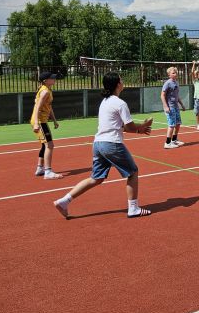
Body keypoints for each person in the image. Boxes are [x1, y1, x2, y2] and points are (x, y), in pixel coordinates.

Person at [53, 72, 153, 219]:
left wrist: (139, 130)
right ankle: (133, 208)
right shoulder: (120, 103)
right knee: (133, 172)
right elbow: (129, 127)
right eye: (121, 80)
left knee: (96, 178)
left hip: (98, 144)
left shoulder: (105, 102)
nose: (123, 81)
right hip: (112, 144)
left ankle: (64, 201)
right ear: (117, 84)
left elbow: (119, 127)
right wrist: (142, 126)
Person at [31, 71, 64, 179]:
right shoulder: (45, 92)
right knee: (50, 145)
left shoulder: (47, 90)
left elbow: (48, 107)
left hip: (42, 121)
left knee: (44, 145)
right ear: (45, 81)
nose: (54, 79)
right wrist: (36, 123)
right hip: (40, 121)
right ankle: (48, 172)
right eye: (52, 78)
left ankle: (40, 168)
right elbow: (37, 107)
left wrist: (54, 120)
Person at [161, 66, 186, 149]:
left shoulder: (176, 83)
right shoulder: (167, 83)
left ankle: (174, 140)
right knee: (171, 124)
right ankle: (167, 143)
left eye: (176, 73)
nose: (175, 74)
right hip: (170, 107)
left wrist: (181, 104)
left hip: (176, 106)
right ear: (169, 75)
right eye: (173, 73)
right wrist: (166, 106)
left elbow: (177, 96)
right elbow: (162, 95)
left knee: (178, 123)